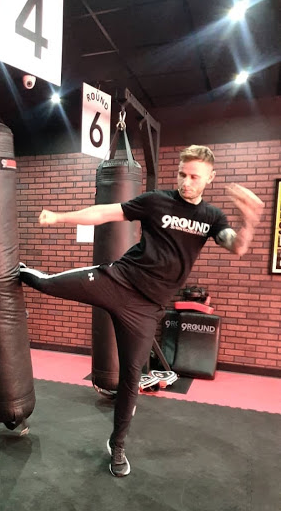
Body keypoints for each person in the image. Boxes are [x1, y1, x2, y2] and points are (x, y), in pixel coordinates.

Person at [19, 145, 264, 477]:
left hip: (146, 309)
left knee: (131, 378)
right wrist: (60, 217)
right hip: (116, 280)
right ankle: (17, 271)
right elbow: (106, 212)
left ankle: (117, 446)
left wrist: (248, 221)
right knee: (47, 284)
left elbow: (236, 246)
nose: (186, 182)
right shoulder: (155, 201)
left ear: (210, 178)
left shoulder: (211, 217)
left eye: (194, 177)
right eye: (182, 174)